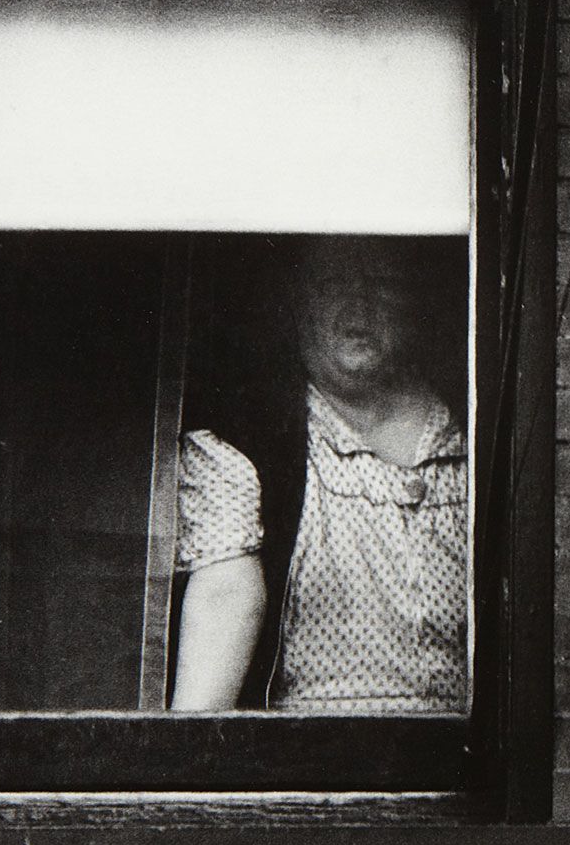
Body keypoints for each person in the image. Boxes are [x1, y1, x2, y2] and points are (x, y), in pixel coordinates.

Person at [170, 237, 469, 712]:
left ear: (415, 301)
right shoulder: (249, 447)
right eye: (334, 282)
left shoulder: (472, 438)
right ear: (296, 297)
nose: (359, 306)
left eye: (384, 284)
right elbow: (224, 598)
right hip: (313, 767)